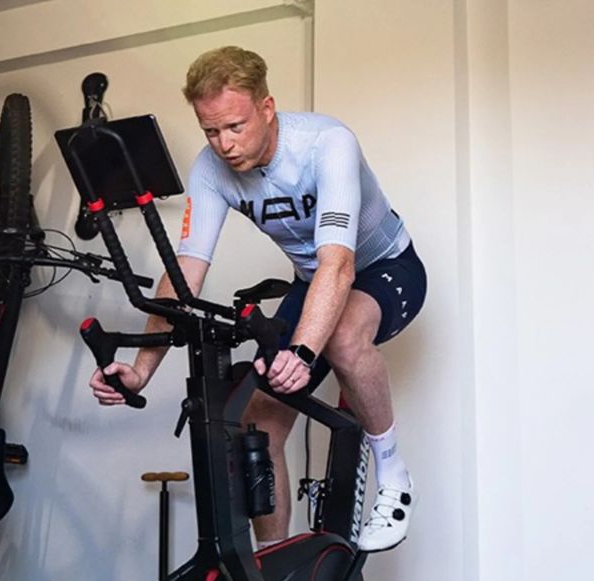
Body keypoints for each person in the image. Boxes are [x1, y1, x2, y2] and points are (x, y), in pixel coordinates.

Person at [89, 46, 426, 553]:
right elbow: (184, 274)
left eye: (235, 126)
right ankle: (275, 569)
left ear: (267, 108)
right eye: (210, 131)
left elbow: (338, 264)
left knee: (341, 335)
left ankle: (395, 476)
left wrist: (304, 352)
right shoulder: (210, 169)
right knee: (260, 419)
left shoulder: (327, 144)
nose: (224, 145)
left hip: (385, 269)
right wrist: (140, 371)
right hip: (311, 283)